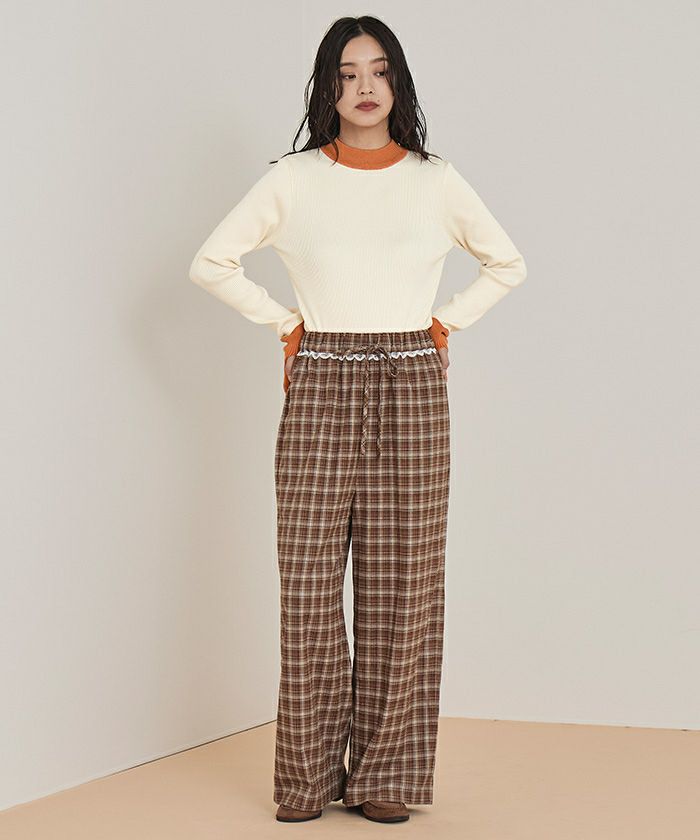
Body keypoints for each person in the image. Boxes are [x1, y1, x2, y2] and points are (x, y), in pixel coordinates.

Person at [189, 15, 526, 825]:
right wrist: (285, 324)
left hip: (412, 381)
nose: (364, 87)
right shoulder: (294, 179)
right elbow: (211, 261)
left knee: (404, 586)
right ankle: (306, 780)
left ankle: (383, 778)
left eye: (379, 71)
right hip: (321, 379)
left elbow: (507, 262)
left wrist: (443, 324)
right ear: (327, 87)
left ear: (398, 81)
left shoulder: (436, 180)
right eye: (347, 73)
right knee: (308, 585)